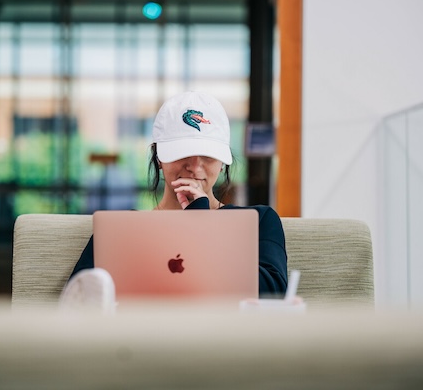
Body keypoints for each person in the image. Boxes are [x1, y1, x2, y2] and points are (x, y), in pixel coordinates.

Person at [62, 91, 288, 305]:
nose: (195, 167)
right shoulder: (122, 229)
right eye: (183, 153)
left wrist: (200, 222)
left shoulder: (259, 220)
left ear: (222, 163)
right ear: (158, 158)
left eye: (208, 156)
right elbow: (78, 300)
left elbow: (274, 293)